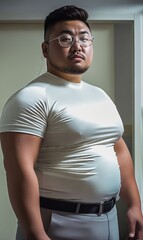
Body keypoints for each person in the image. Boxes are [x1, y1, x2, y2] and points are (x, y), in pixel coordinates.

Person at [0, 5, 143, 240]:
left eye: (84, 39)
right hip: (57, 221)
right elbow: (18, 169)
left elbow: (119, 152)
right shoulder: (32, 97)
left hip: (108, 219)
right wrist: (35, 232)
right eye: (65, 39)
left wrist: (134, 205)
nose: (77, 45)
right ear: (45, 49)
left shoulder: (100, 95)